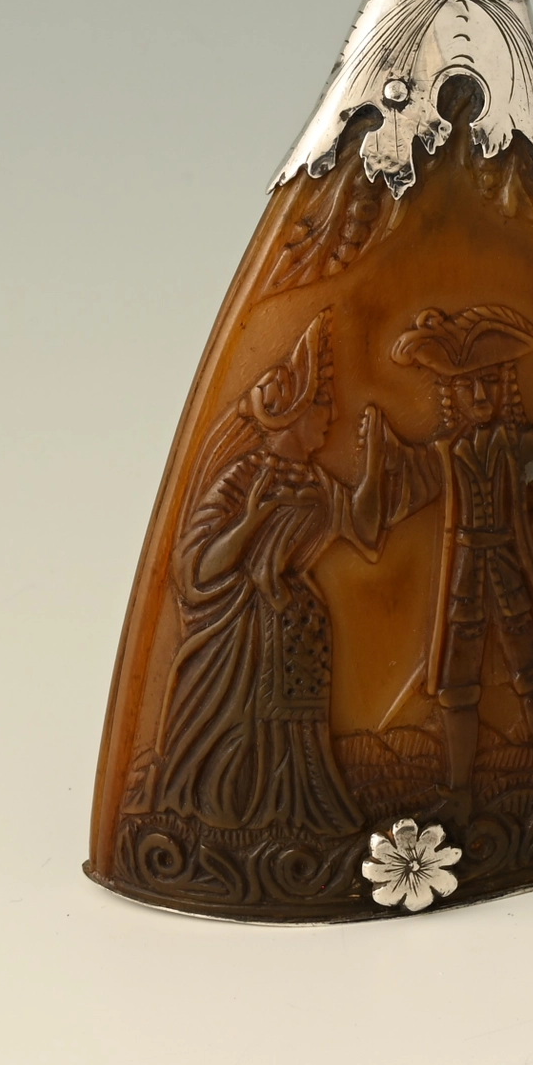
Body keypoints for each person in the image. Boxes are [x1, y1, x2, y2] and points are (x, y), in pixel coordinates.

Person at [362, 304, 533, 822]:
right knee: (456, 690)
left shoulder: (518, 445)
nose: (480, 397)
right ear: (450, 394)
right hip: (463, 582)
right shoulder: (445, 455)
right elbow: (402, 480)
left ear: (505, 387)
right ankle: (458, 792)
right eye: (467, 387)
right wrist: (379, 448)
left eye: (489, 383)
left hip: (511, 576)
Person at [150, 310, 378, 836]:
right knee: (240, 727)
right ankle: (228, 819)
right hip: (242, 631)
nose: (333, 416)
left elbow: (363, 527)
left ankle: (296, 815)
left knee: (298, 735)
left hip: (297, 624)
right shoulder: (242, 476)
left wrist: (371, 464)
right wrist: (249, 523)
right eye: (323, 404)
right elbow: (193, 568)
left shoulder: (317, 480)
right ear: (293, 413)